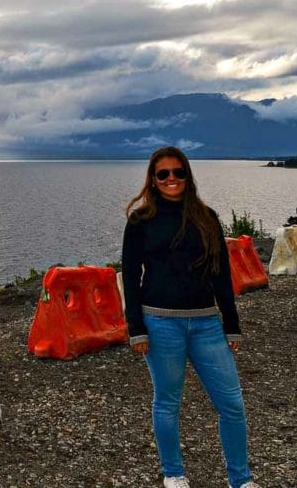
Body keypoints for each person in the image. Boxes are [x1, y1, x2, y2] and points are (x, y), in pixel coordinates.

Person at [121, 146, 260, 488]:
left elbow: (221, 274)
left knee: (232, 404)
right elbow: (129, 275)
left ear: (187, 175)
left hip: (207, 324)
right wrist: (136, 328)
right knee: (167, 402)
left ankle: (240, 480)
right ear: (152, 180)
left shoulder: (206, 217)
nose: (171, 179)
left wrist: (232, 324)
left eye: (178, 172)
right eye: (163, 174)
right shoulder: (140, 221)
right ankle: (173, 474)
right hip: (160, 322)